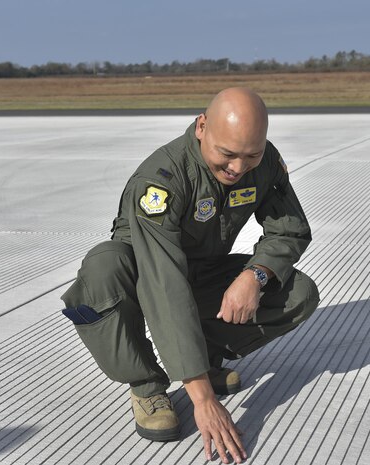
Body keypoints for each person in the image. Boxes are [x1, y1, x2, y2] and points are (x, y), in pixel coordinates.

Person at [61, 87, 319, 464]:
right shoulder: (162, 179)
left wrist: (255, 276)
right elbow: (163, 283)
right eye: (227, 154)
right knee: (104, 266)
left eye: (251, 155)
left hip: (201, 271)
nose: (237, 167)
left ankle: (206, 356)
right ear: (202, 127)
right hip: (143, 273)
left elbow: (289, 229)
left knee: (298, 291)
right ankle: (147, 384)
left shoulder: (263, 163)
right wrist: (202, 399)